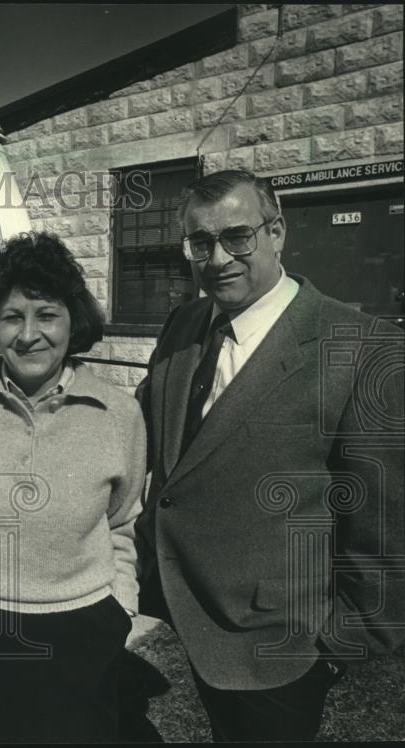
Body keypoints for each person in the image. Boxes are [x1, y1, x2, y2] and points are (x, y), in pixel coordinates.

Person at [135, 169, 405, 741]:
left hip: (282, 649)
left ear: (277, 232)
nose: (217, 259)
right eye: (200, 243)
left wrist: (336, 646)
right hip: (187, 615)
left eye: (238, 237)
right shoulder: (184, 323)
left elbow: (383, 521)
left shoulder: (359, 347)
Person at [0, 232, 146, 743]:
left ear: (73, 321)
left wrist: (119, 607)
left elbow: (123, 521)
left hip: (79, 634)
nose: (28, 334)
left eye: (46, 314)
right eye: (13, 316)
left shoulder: (119, 413)